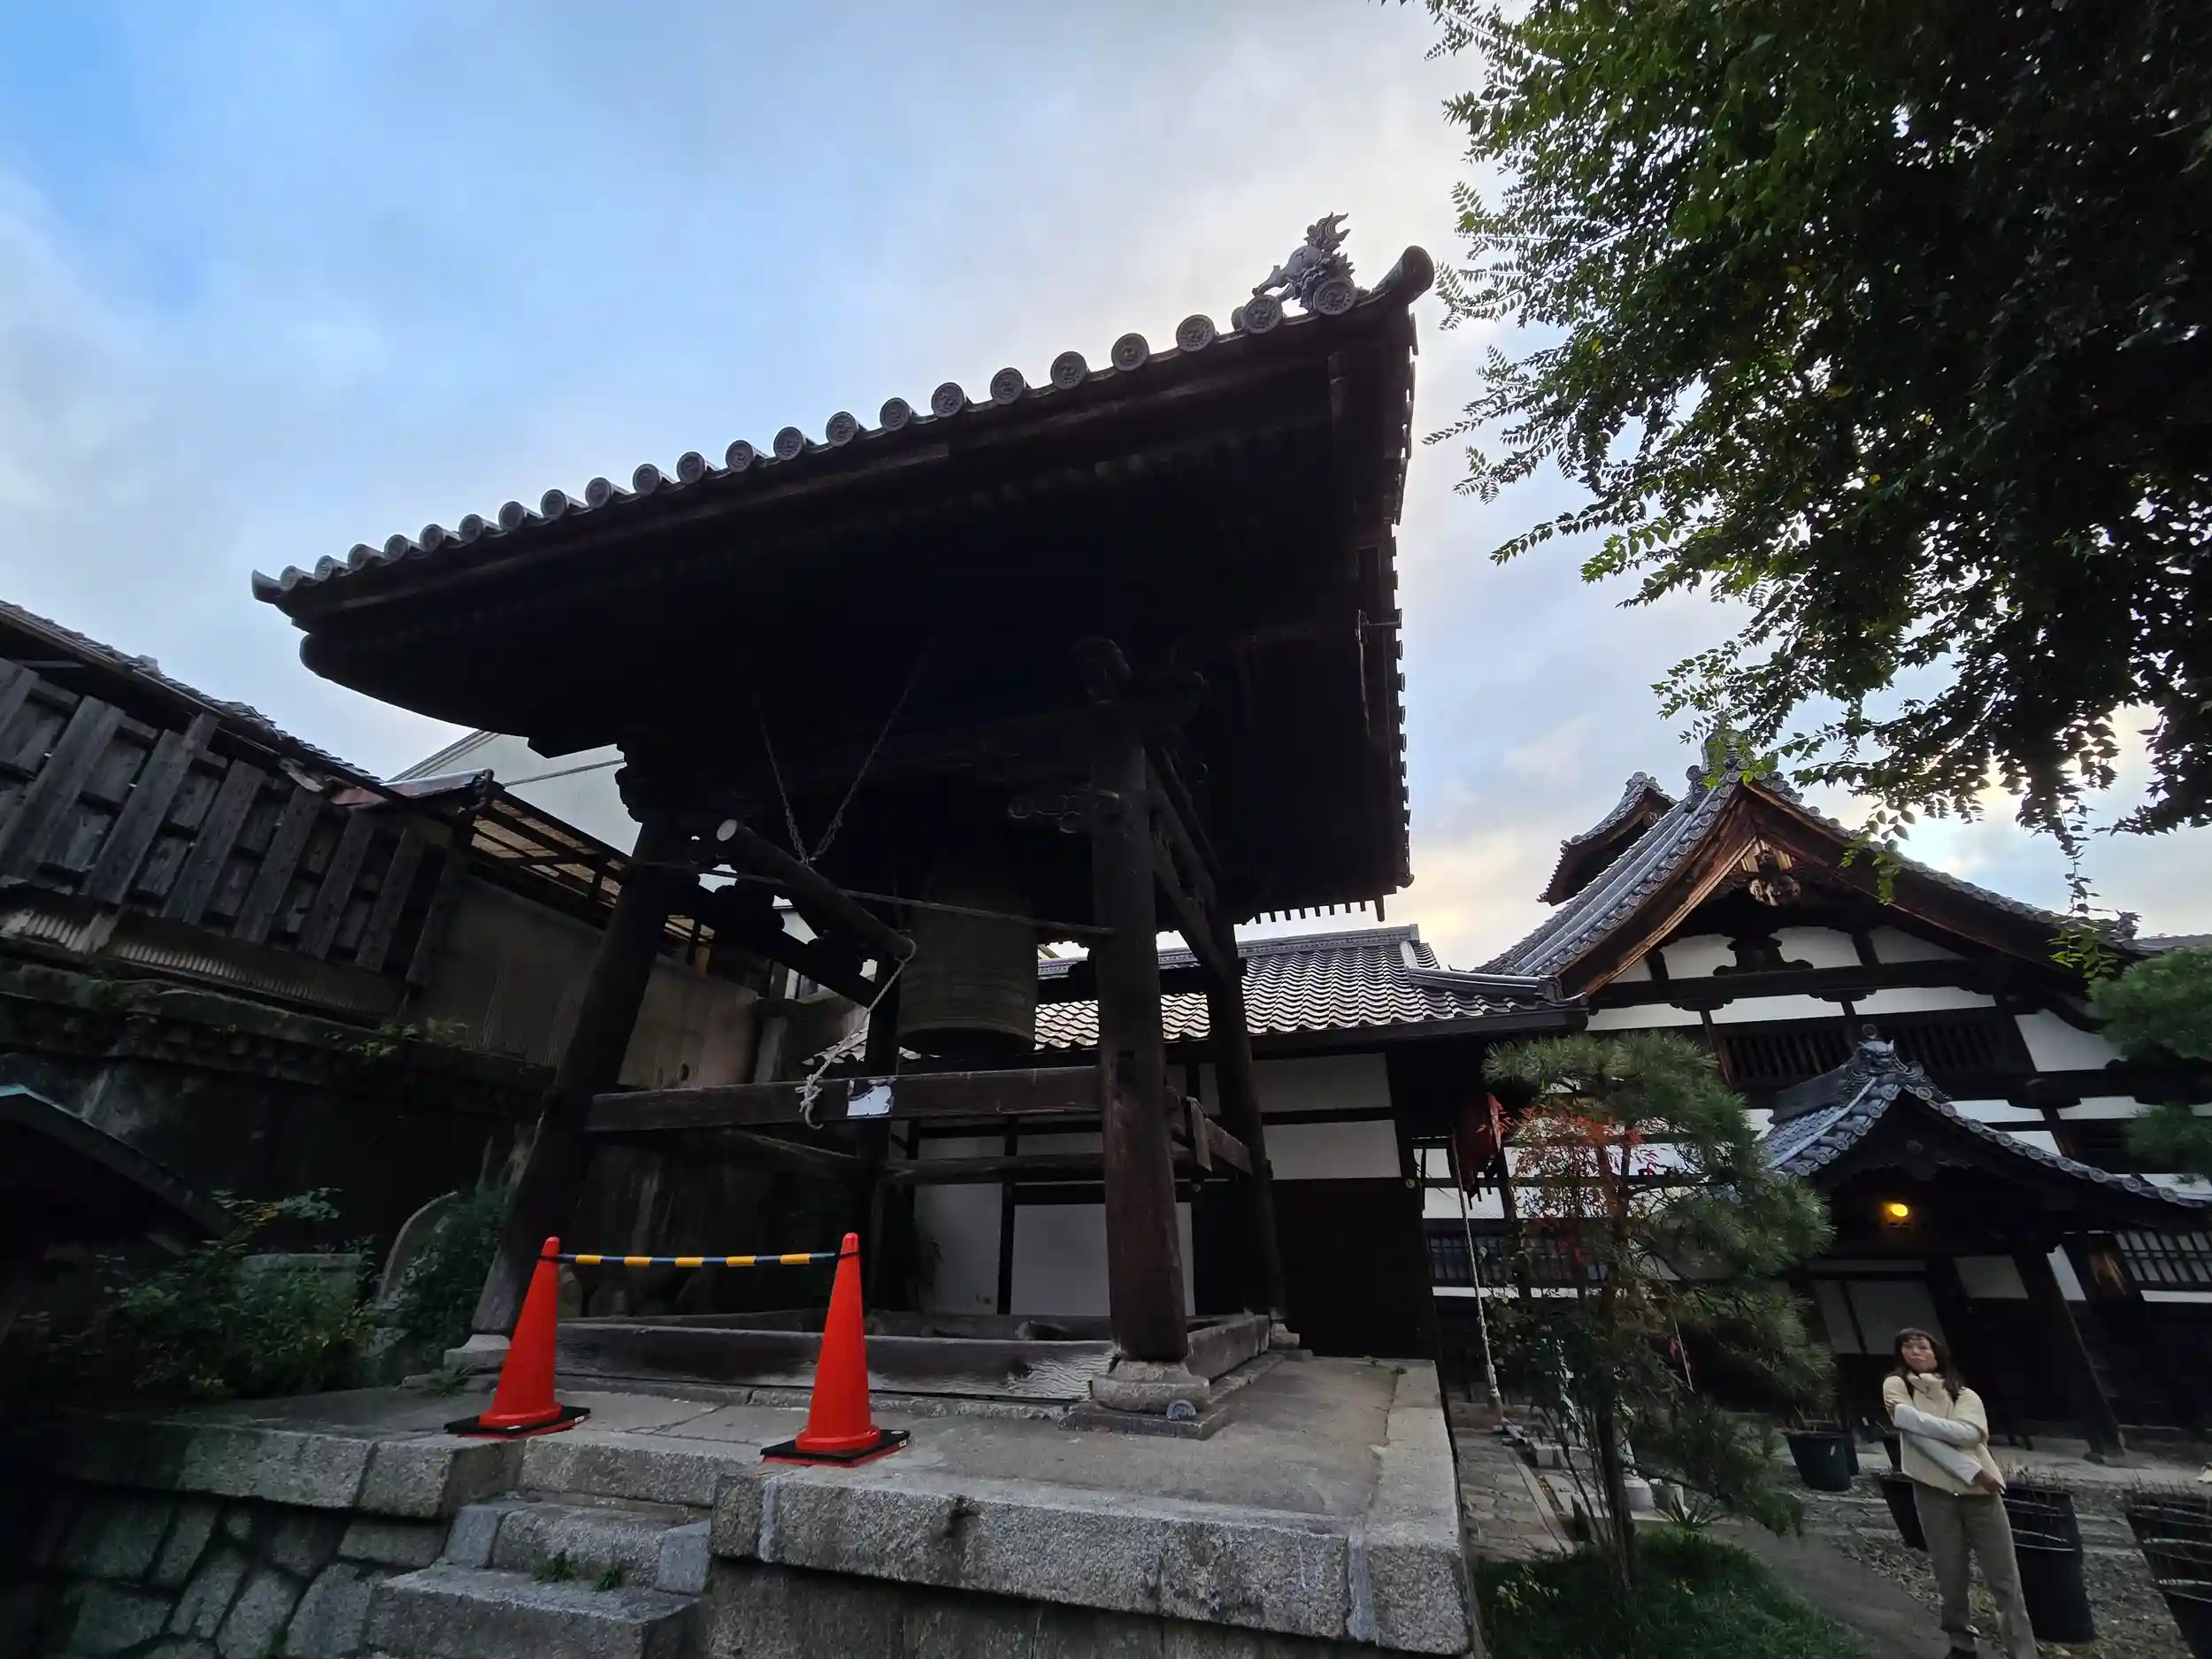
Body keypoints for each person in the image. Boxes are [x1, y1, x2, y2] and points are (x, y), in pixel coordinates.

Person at [1883, 1327, 2037, 1659]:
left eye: (1922, 1346)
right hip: (1933, 1490)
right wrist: (1969, 1469)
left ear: (1936, 1352)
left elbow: (1969, 1434)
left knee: (2004, 1577)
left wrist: (1914, 1420)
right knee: (1949, 1575)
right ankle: (1961, 1643)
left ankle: (2022, 1651)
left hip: (1982, 1494)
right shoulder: (1897, 1386)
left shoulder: (1965, 1395)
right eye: (1907, 1347)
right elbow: (1918, 1439)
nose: (1915, 1352)